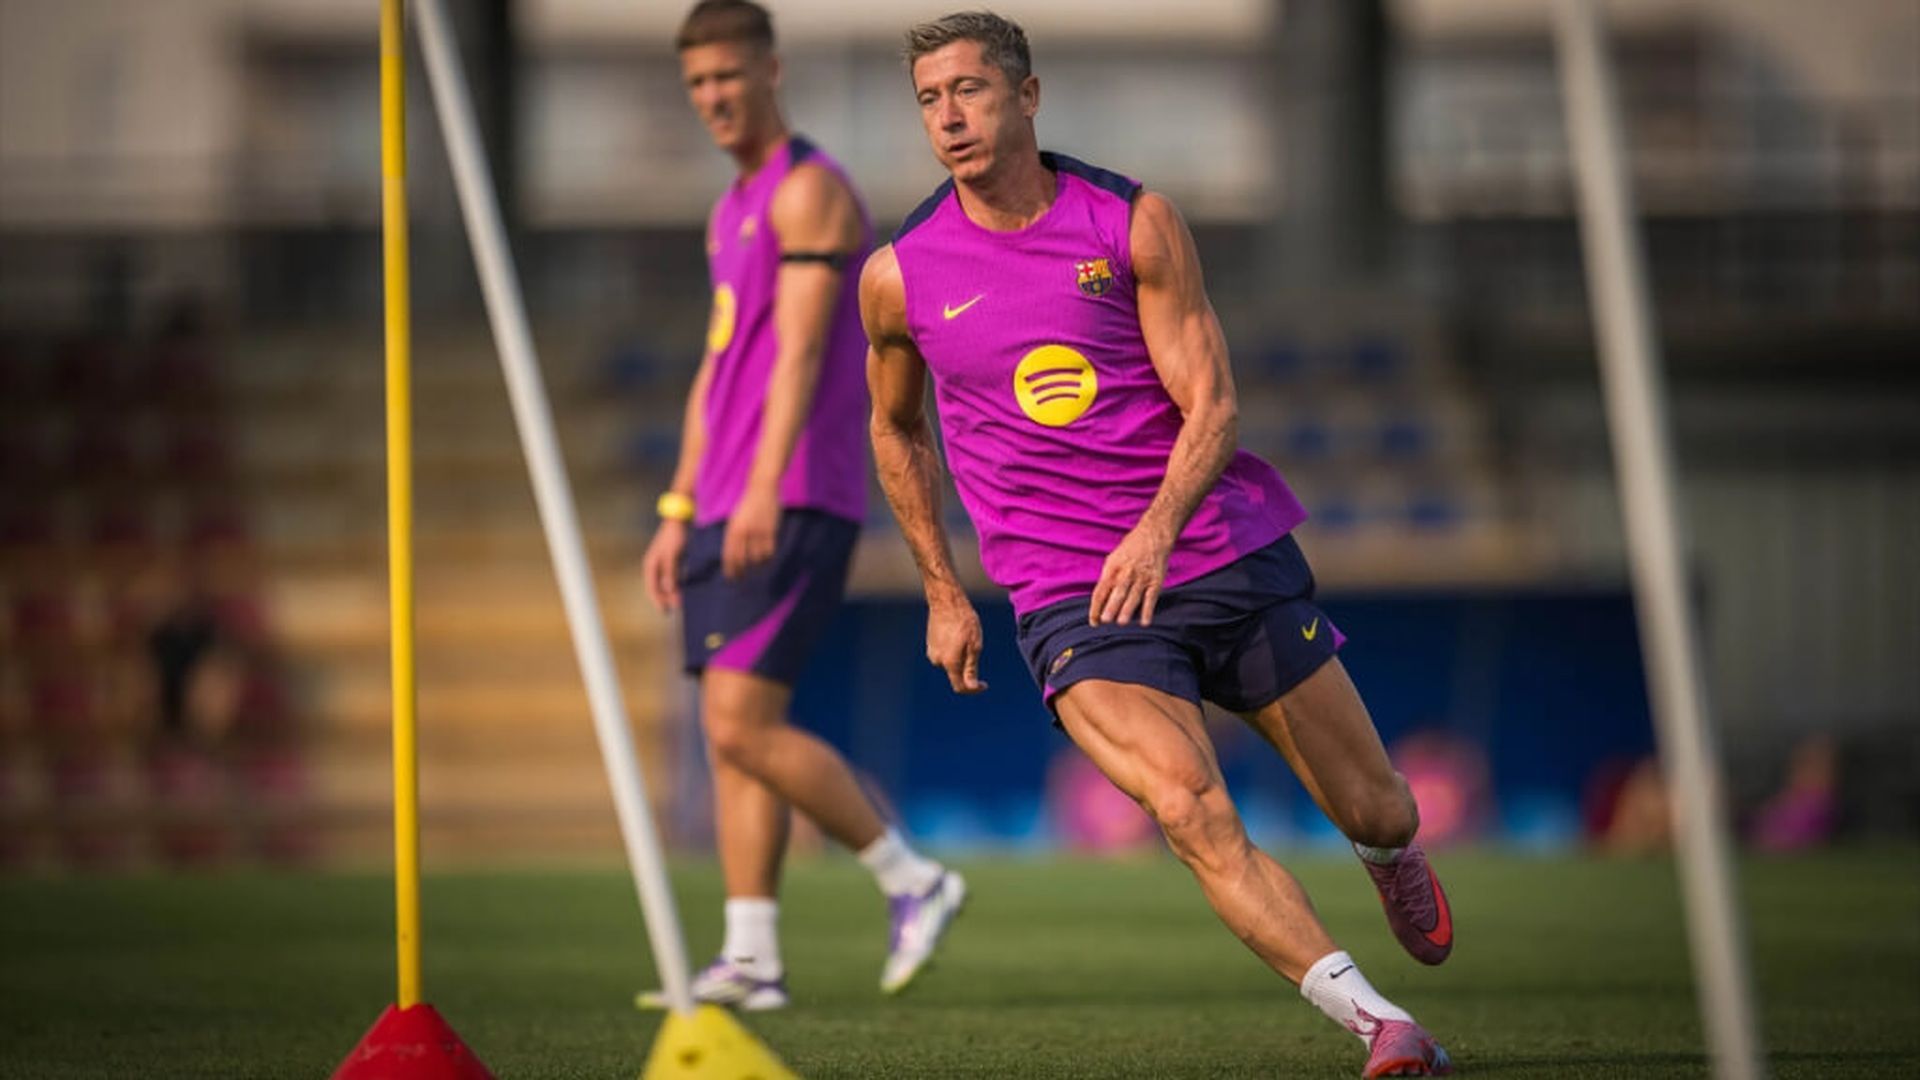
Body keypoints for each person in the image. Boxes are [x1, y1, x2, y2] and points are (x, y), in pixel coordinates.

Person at [861, 12, 1453, 1076]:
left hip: (1217, 552)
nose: (948, 116)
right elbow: (895, 427)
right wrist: (943, 592)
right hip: (1067, 598)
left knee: (1377, 800)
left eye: (970, 91)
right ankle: (1381, 1024)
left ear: (1027, 97)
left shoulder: (1131, 222)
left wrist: (1155, 529)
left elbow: (1215, 404)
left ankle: (1388, 852)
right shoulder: (900, 274)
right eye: (928, 99)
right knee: (1185, 803)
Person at [639, 0, 964, 1011]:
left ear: (770, 72)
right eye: (697, 84)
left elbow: (805, 351)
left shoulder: (812, 193)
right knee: (735, 725)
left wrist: (761, 487)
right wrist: (678, 502)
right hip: (722, 500)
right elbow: (718, 365)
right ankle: (753, 956)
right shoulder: (727, 210)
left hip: (790, 497)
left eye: (728, 77)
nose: (714, 99)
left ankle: (912, 878)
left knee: (737, 725)